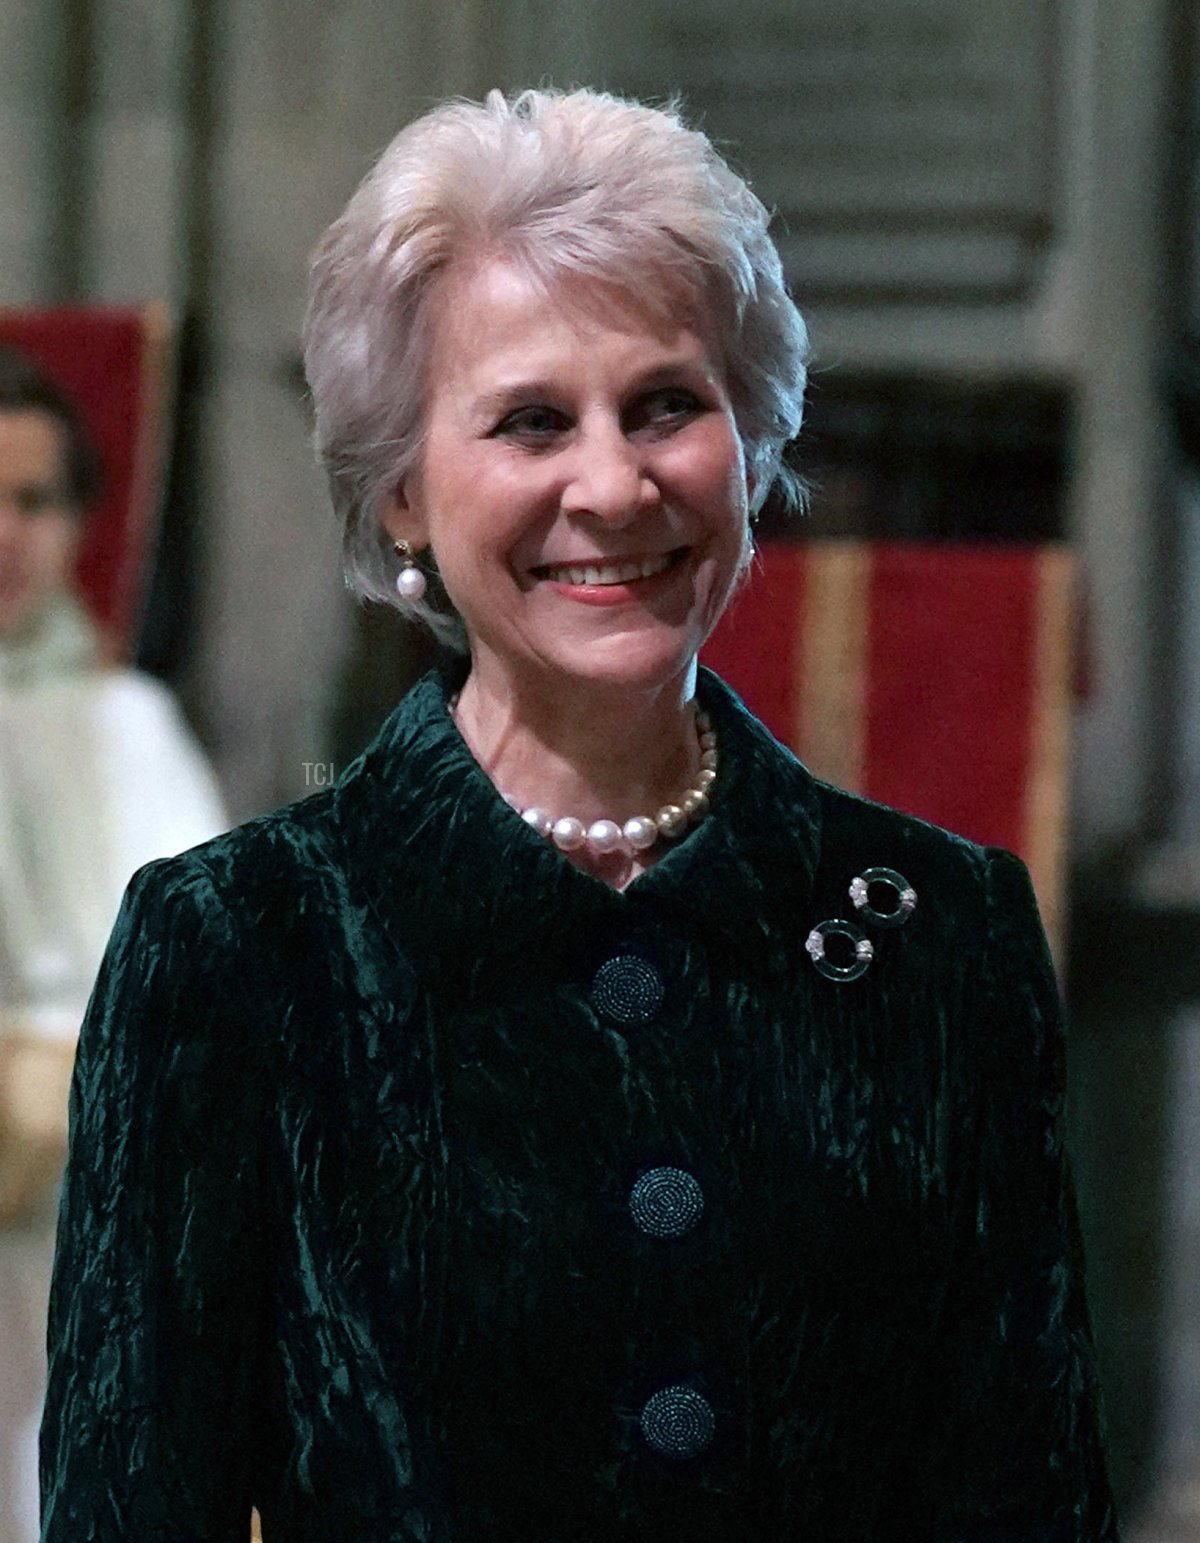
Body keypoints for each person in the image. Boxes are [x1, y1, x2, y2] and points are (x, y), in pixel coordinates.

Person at [39, 88, 1119, 1540]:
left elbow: (1026, 1492)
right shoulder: (235, 949)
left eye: (669, 403)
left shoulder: (938, 928)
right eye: (531, 420)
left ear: (749, 437)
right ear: (406, 490)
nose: (612, 483)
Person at [0, 346, 226, 1543]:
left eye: (33, 500)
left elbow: (210, 982)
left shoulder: (127, 724)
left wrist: (59, 1071)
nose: (4, 532)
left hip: (80, 1214)